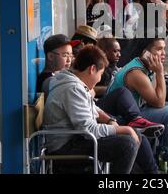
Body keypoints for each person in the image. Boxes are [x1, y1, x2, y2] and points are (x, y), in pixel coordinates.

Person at [42, 45, 148, 174]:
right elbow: (89, 130)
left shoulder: (74, 83)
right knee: (127, 145)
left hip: (76, 138)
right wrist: (123, 129)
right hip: (64, 148)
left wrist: (110, 120)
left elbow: (92, 108)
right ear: (92, 69)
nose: (99, 79)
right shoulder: (73, 88)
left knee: (135, 133)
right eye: (101, 74)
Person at [106, 38, 168, 174]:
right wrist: (159, 72)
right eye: (159, 49)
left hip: (134, 112)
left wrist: (158, 73)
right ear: (145, 53)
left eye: (164, 49)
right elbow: (159, 101)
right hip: (121, 119)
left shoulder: (143, 66)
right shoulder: (136, 72)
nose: (163, 53)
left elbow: (159, 98)